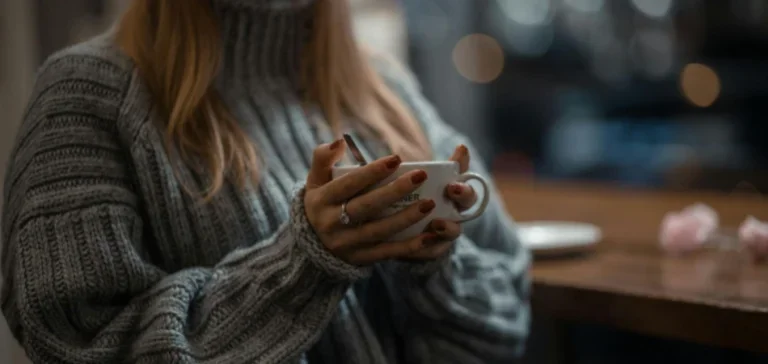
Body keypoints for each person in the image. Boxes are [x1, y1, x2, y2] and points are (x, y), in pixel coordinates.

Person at [1, 0, 530, 363]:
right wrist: (300, 267)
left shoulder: (384, 89)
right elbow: (79, 346)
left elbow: (504, 322)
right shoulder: (87, 94)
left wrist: (432, 270)